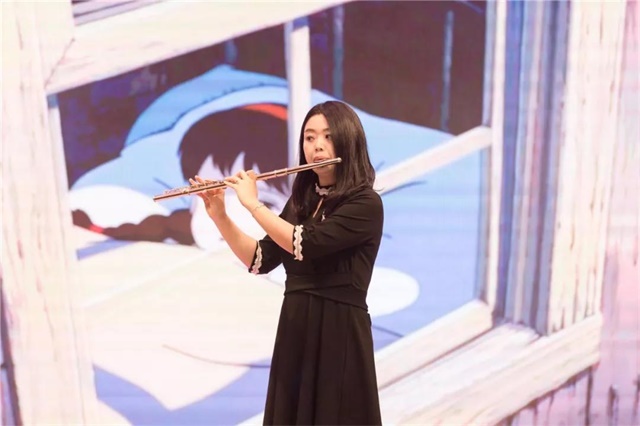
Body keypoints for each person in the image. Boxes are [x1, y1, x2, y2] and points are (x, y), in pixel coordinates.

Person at [190, 100, 384, 425]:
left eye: (328, 136)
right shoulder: (300, 203)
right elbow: (259, 260)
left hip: (339, 333)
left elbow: (306, 243)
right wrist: (220, 215)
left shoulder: (365, 203)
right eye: (309, 137)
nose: (317, 146)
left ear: (348, 140)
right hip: (296, 329)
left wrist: (253, 204)